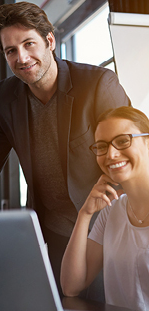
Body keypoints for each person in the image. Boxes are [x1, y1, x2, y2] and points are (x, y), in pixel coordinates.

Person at [0, 1, 130, 292]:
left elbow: (131, 159)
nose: (22, 57)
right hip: (52, 238)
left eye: (29, 44)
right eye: (11, 51)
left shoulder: (97, 85)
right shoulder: (4, 99)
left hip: (104, 233)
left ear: (49, 41)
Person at [61, 106, 149, 311]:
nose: (111, 154)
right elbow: (71, 287)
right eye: (102, 146)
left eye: (122, 141)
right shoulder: (111, 211)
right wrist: (85, 214)